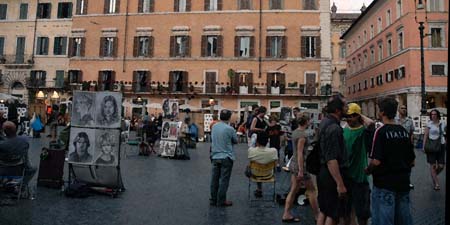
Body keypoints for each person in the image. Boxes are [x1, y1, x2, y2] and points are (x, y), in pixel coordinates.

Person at [365, 97, 415, 225]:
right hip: (403, 183)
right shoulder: (403, 132)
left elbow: (376, 161)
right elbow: (412, 161)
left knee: (383, 220)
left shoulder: (380, 132)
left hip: (384, 184)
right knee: (404, 220)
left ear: (381, 112)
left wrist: (368, 170)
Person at [316, 93, 349, 225]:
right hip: (331, 175)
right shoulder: (335, 128)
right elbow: (332, 160)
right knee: (333, 214)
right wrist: (340, 184)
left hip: (322, 173)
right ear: (337, 110)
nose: (347, 108)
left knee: (324, 210)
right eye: (345, 106)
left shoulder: (324, 122)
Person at [282, 114, 319, 223]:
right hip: (300, 165)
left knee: (293, 190)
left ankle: (286, 213)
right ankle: (317, 215)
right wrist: (301, 171)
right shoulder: (302, 135)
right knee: (311, 190)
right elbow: (300, 153)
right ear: (307, 121)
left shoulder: (295, 132)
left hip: (293, 164)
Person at [342, 103, 374, 225]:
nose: (349, 119)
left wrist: (361, 115)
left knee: (362, 214)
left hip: (360, 178)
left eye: (352, 116)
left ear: (358, 116)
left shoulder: (363, 132)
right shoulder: (343, 130)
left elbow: (371, 124)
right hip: (345, 177)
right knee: (346, 212)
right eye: (347, 116)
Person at [0, 121, 36, 197]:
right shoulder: (24, 141)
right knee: (33, 168)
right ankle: (21, 186)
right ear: (16, 129)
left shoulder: (2, 144)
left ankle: (5, 183)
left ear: (4, 132)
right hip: (18, 170)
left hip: (2, 171)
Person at [210, 109, 238, 207]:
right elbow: (235, 140)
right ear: (229, 118)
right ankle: (221, 200)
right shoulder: (230, 129)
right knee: (224, 180)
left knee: (214, 179)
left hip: (215, 155)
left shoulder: (214, 126)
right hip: (226, 156)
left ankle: (213, 199)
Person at [248, 132, 278, 198]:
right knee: (263, 166)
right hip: (269, 175)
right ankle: (259, 189)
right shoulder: (274, 151)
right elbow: (275, 166)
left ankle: (259, 189)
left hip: (255, 174)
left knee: (254, 167)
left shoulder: (251, 151)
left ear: (257, 141)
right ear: (267, 141)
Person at [423, 109, 446, 191]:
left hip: (441, 145)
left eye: (435, 114)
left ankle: (434, 174)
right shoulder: (429, 124)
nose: (433, 115)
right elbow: (425, 135)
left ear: (438, 115)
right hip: (431, 146)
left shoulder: (443, 124)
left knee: (441, 166)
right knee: (432, 165)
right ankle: (436, 183)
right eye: (432, 114)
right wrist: (423, 146)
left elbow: (444, 134)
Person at [396, 105, 415, 189]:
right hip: (396, 146)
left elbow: (412, 133)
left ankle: (407, 181)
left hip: (407, 146)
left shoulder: (410, 121)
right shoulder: (395, 120)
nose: (404, 110)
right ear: (398, 110)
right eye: (402, 108)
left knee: (409, 165)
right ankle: (398, 181)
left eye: (405, 108)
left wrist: (411, 145)